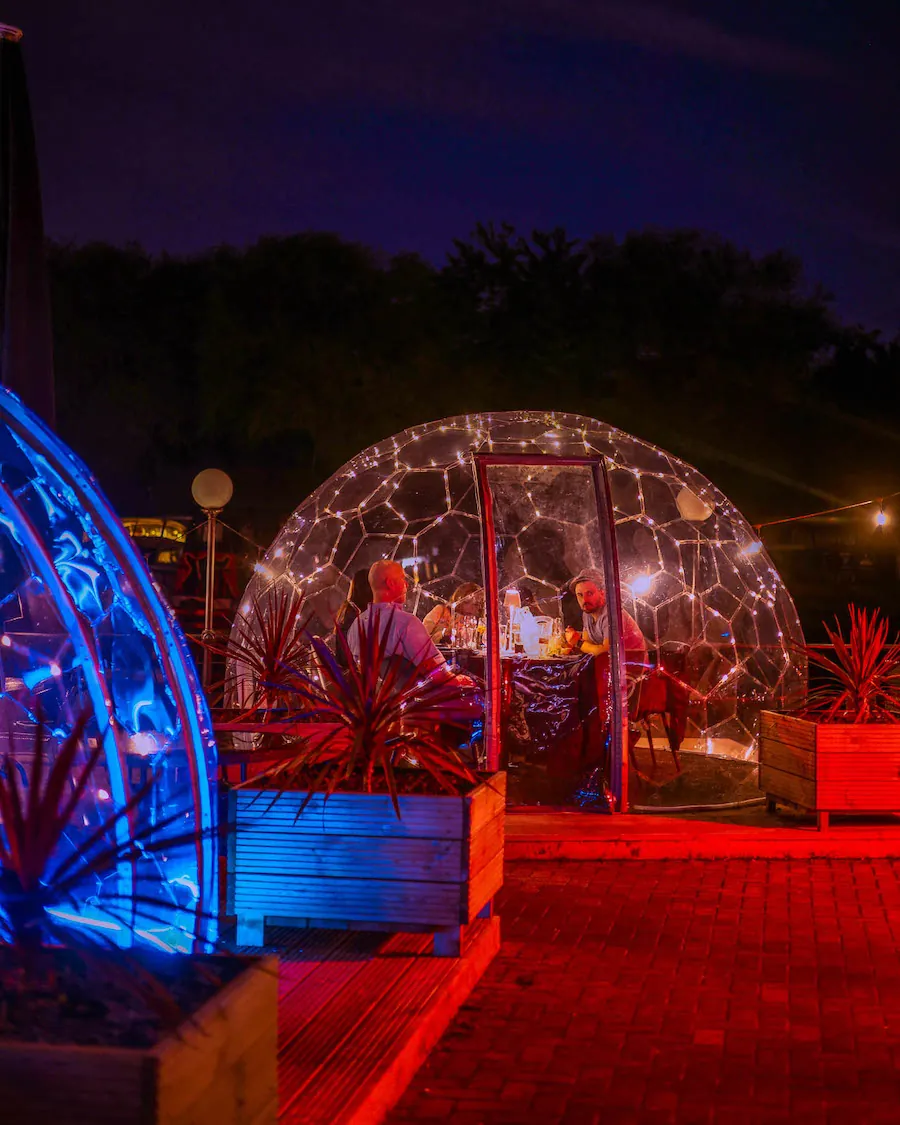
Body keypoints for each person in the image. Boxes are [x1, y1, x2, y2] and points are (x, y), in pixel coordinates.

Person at [348, 560, 461, 683]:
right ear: (391, 583)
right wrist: (460, 681)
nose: (406, 584)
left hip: (383, 700)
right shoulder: (405, 623)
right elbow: (435, 673)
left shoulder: (356, 626)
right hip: (426, 697)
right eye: (402, 579)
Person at [565, 570, 647, 673]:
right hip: (612, 668)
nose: (584, 600)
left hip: (633, 672)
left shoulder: (611, 614)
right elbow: (588, 645)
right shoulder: (587, 613)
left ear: (602, 593)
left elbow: (605, 652)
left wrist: (577, 642)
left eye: (589, 593)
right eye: (580, 595)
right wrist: (570, 641)